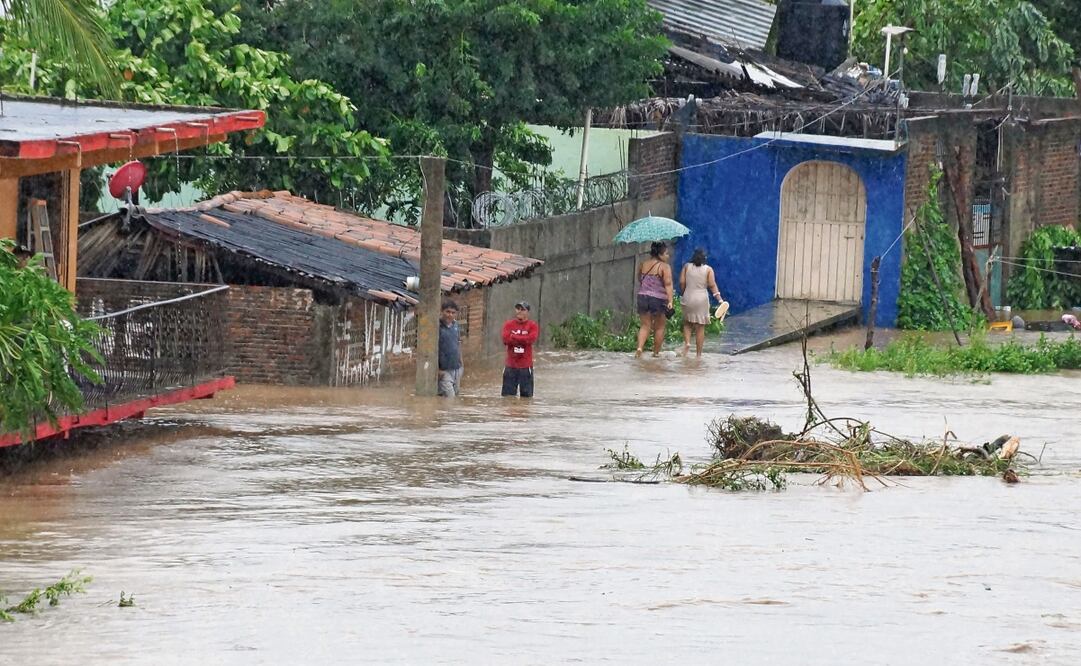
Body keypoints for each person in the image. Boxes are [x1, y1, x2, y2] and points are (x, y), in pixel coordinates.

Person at [679, 247, 723, 357]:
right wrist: (720, 300)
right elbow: (712, 286)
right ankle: (698, 355)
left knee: (687, 323)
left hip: (688, 296)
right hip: (701, 299)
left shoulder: (686, 267)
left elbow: (682, 282)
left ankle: (688, 343)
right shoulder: (708, 270)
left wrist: (684, 293)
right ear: (705, 258)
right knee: (700, 327)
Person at [636, 241, 674, 358]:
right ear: (660, 254)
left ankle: (639, 348)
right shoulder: (664, 267)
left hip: (642, 296)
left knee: (645, 325)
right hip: (658, 299)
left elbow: (640, 279)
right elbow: (668, 284)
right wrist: (670, 301)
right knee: (660, 327)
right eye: (666, 253)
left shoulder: (643, 264)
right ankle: (656, 353)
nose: (668, 256)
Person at [502, 301, 540, 397]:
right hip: (511, 366)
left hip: (525, 367)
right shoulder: (508, 324)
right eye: (518, 309)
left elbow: (530, 340)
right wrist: (522, 338)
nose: (519, 311)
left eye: (522, 309)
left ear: (527, 312)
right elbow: (505, 340)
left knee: (526, 398)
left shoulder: (532, 325)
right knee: (507, 398)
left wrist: (514, 337)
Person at [438, 300, 463, 397]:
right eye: (447, 312)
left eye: (453, 313)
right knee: (450, 397)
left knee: (456, 395)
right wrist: (437, 369)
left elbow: (458, 343)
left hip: (457, 368)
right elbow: (432, 350)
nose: (450, 315)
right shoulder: (437, 327)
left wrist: (461, 364)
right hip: (443, 370)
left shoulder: (456, 325)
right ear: (442, 311)